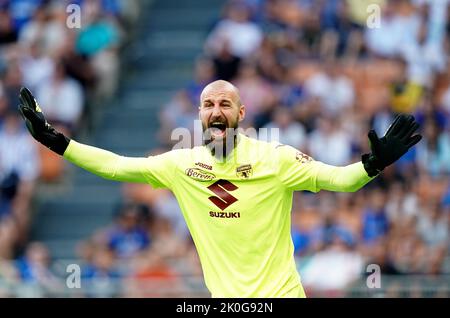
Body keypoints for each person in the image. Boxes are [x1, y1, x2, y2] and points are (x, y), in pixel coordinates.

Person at [17, 80, 422, 298]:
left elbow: (339, 180)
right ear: (199, 113)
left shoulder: (276, 159)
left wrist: (375, 163)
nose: (216, 111)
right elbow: (117, 167)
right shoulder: (182, 165)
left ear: (241, 114)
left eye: (225, 104)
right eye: (209, 104)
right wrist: (56, 141)